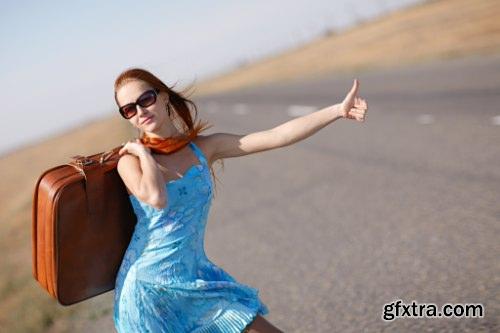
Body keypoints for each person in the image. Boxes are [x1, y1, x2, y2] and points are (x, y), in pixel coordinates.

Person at [112, 67, 368, 333]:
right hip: (147, 293)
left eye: (146, 99)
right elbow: (156, 197)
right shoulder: (129, 161)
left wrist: (337, 111)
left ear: (163, 97)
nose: (140, 111)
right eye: (129, 109)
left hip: (192, 280)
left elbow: (276, 137)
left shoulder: (204, 147)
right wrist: (143, 153)